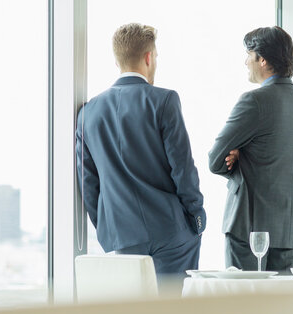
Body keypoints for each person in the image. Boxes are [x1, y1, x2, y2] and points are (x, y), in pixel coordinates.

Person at [75, 23, 206, 274]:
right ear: (148, 57)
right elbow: (183, 168)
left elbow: (89, 186)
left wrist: (110, 228)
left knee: (136, 310)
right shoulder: (164, 100)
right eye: (155, 57)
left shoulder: (87, 114)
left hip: (123, 236)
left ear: (117, 62)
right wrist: (197, 217)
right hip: (171, 232)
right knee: (173, 311)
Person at [208, 26, 293, 273]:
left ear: (263, 59)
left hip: (249, 226)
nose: (246, 62)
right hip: (289, 228)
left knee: (245, 307)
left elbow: (215, 159)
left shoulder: (254, 100)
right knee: (280, 309)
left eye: (249, 55)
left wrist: (240, 158)